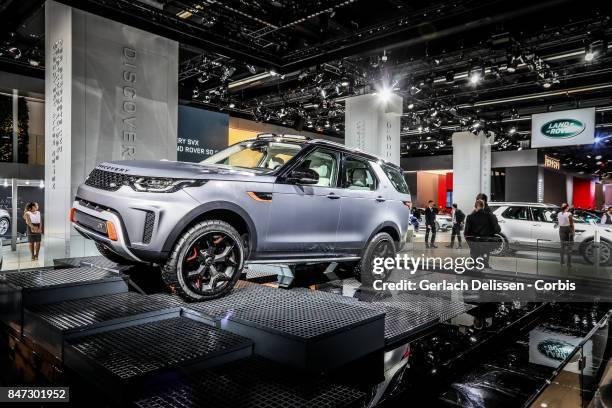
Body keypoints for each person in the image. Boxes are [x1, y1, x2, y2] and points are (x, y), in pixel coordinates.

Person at [464, 199, 501, 269]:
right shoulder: (491, 216)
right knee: (485, 264)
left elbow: (466, 233)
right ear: (483, 206)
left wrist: (471, 244)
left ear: (475, 206)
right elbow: (498, 230)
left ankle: (472, 276)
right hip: (486, 243)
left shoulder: (470, 217)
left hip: (474, 244)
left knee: (472, 264)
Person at [558, 203, 574, 267]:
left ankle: (562, 261)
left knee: (562, 246)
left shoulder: (559, 214)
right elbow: (571, 223)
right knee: (569, 247)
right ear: (567, 207)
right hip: (568, 229)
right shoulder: (569, 214)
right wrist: (573, 231)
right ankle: (569, 263)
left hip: (561, 229)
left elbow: (559, 222)